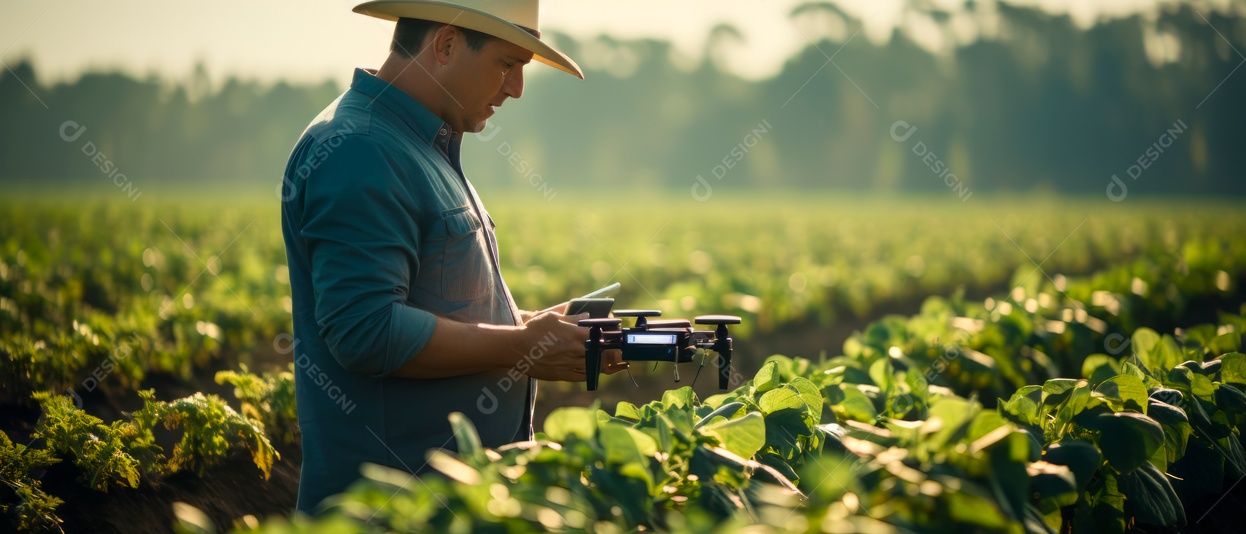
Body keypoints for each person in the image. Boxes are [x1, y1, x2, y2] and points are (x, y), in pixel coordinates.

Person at [279, 0, 622, 514]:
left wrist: (537, 328)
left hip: (450, 506)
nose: (515, 89)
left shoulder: (420, 144)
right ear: (444, 45)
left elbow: (433, 306)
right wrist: (521, 347)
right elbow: (365, 332)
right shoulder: (361, 149)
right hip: (392, 511)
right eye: (507, 65)